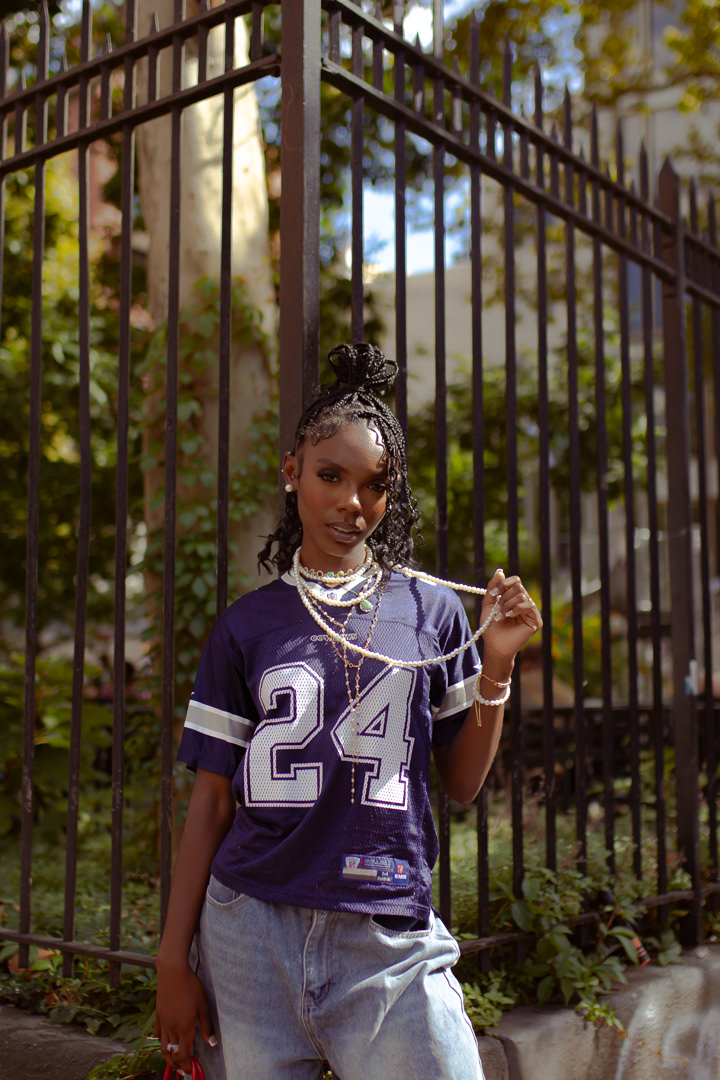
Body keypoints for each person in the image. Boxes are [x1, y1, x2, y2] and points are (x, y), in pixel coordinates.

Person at [154, 343, 542, 1080]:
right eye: (330, 475)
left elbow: (461, 784)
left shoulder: (430, 614)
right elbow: (210, 801)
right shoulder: (246, 627)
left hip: (386, 937)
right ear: (292, 472)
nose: (352, 503)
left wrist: (497, 661)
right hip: (249, 933)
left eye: (374, 485)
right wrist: (173, 961)